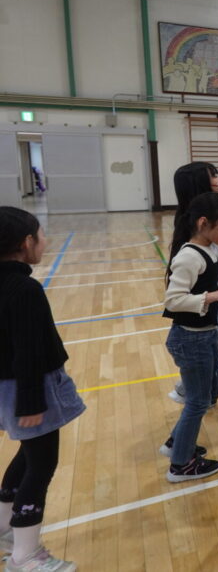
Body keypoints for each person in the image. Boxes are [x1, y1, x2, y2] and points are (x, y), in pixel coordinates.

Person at [0, 207, 85, 572]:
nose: (45, 241)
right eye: (41, 235)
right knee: (41, 464)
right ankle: (25, 555)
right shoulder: (25, 290)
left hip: (8, 387)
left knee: (28, 454)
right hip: (28, 388)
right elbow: (29, 351)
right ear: (26, 243)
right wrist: (31, 402)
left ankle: (6, 528)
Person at [161, 192, 218, 482]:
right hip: (191, 339)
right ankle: (180, 464)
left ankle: (176, 443)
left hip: (205, 335)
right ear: (203, 223)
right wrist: (214, 296)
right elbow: (173, 300)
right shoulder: (190, 257)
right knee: (198, 401)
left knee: (209, 392)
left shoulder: (207, 250)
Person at [166, 162, 218, 434]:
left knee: (217, 362)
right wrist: (215, 295)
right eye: (214, 176)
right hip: (213, 305)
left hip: (211, 308)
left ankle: (203, 394)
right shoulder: (201, 234)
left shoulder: (194, 221)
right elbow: (174, 300)